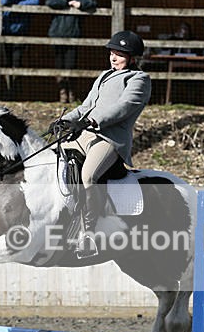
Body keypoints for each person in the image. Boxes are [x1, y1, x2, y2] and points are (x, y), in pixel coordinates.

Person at [49, 31, 150, 258]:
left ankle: (88, 234)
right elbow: (86, 106)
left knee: (88, 176)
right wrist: (65, 120)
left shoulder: (139, 79)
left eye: (120, 54)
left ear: (132, 58)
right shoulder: (104, 75)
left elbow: (124, 107)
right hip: (86, 134)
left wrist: (93, 120)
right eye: (112, 52)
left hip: (110, 139)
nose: (113, 57)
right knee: (53, 159)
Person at [45, 0, 97, 103]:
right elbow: (49, 2)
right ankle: (62, 93)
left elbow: (93, 3)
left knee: (71, 65)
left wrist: (80, 4)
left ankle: (72, 93)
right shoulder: (55, 0)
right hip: (57, 38)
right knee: (59, 66)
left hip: (72, 38)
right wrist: (67, 3)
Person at [0, 0, 39, 98]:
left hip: (21, 34)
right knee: (7, 62)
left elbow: (35, 1)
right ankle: (8, 90)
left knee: (17, 62)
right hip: (7, 33)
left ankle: (16, 91)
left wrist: (17, 5)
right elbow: (4, 1)